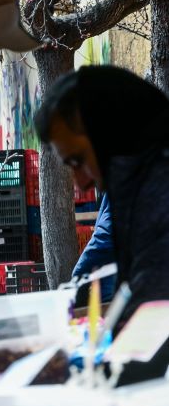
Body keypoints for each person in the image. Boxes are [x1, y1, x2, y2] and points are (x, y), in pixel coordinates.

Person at [39, 65, 169, 313]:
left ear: (113, 136)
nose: (81, 184)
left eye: (79, 161)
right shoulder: (138, 183)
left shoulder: (156, 196)